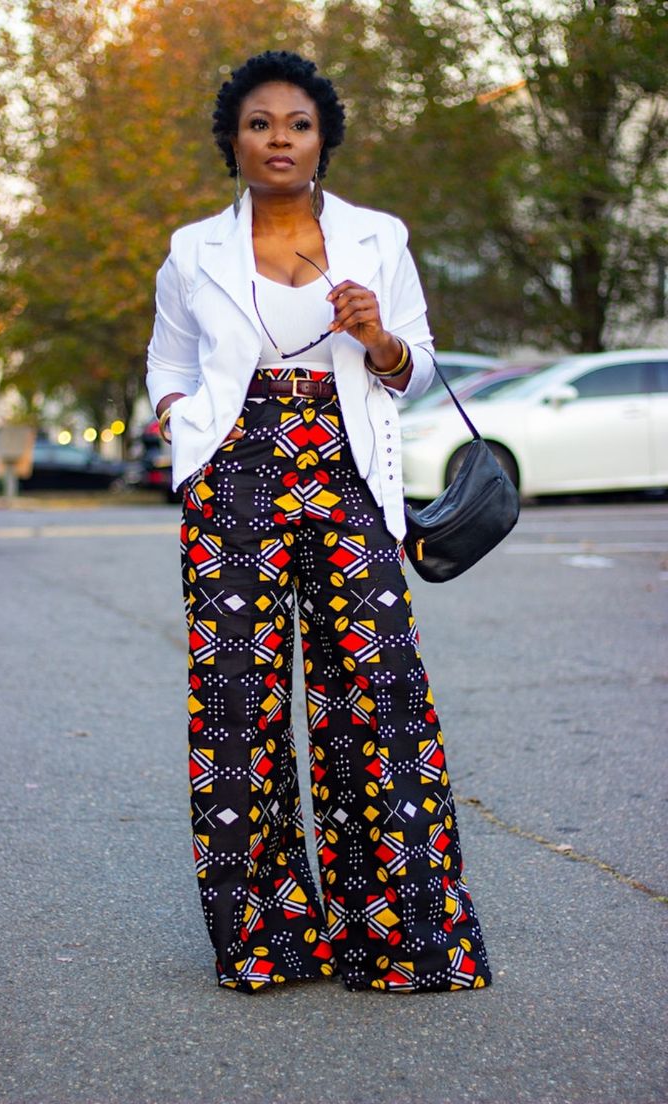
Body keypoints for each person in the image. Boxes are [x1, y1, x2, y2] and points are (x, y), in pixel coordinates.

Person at [146, 50, 491, 994]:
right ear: (233, 141)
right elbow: (168, 359)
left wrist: (378, 338)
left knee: (377, 695)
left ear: (323, 139)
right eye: (259, 124)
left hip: (347, 467)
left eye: (297, 124)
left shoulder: (379, 238)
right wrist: (179, 418)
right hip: (235, 475)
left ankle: (403, 937)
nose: (279, 140)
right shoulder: (192, 250)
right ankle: (268, 941)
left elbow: (418, 366)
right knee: (236, 704)